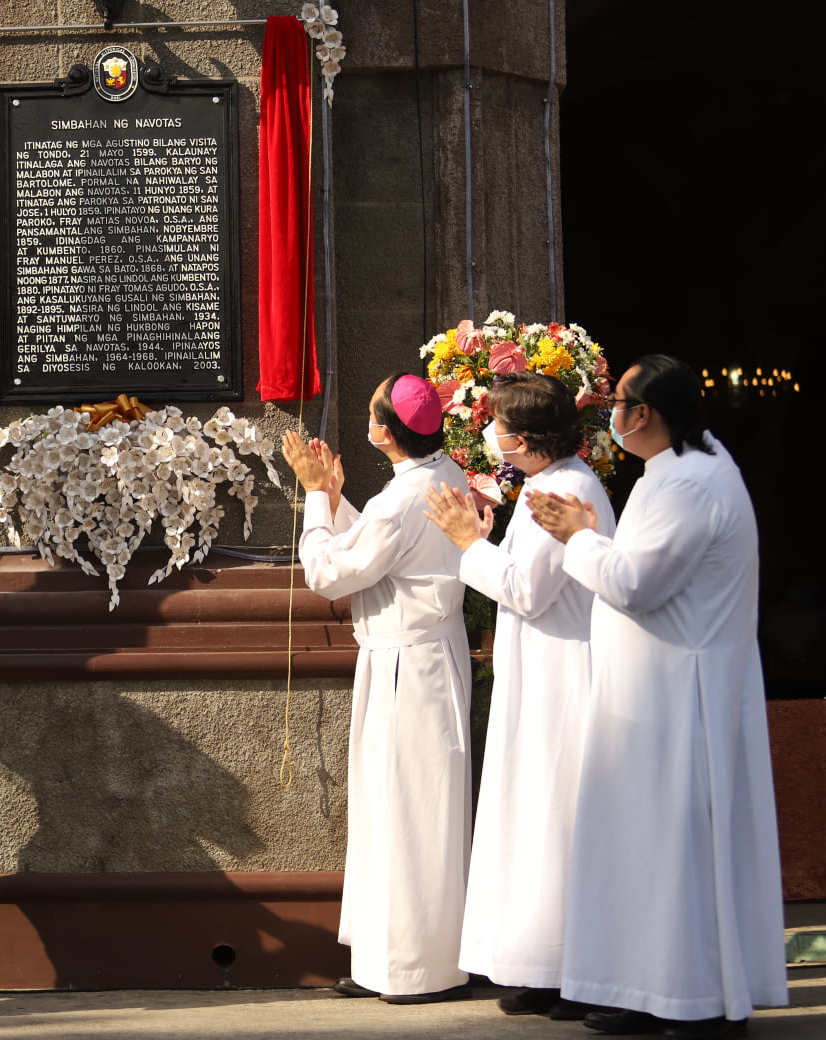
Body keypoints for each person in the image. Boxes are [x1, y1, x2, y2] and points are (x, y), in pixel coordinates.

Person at [528, 355, 787, 1040]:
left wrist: (578, 537)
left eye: (616, 402)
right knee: (643, 847)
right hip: (652, 692)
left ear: (642, 414)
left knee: (677, 850)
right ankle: (647, 987)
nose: (608, 412)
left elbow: (636, 585)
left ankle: (694, 998)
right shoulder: (678, 470)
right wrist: (592, 533)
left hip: (679, 695)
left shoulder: (691, 484)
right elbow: (644, 568)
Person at [420, 372, 614, 1021]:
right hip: (537, 675)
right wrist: (484, 540)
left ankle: (577, 970)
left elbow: (528, 591)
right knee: (533, 821)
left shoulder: (569, 488)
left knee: (558, 820)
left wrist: (468, 543)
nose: (489, 433)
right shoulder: (543, 482)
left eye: (497, 424)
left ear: (525, 438)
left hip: (565, 679)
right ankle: (541, 966)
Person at [281, 373, 473, 1005]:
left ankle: (419, 970)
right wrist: (339, 501)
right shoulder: (439, 474)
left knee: (409, 812)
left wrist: (316, 498)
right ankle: (387, 963)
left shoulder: (404, 496)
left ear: (385, 433)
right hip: (423, 656)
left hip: (406, 666)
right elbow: (385, 550)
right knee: (397, 810)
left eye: (371, 412)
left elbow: (330, 573)